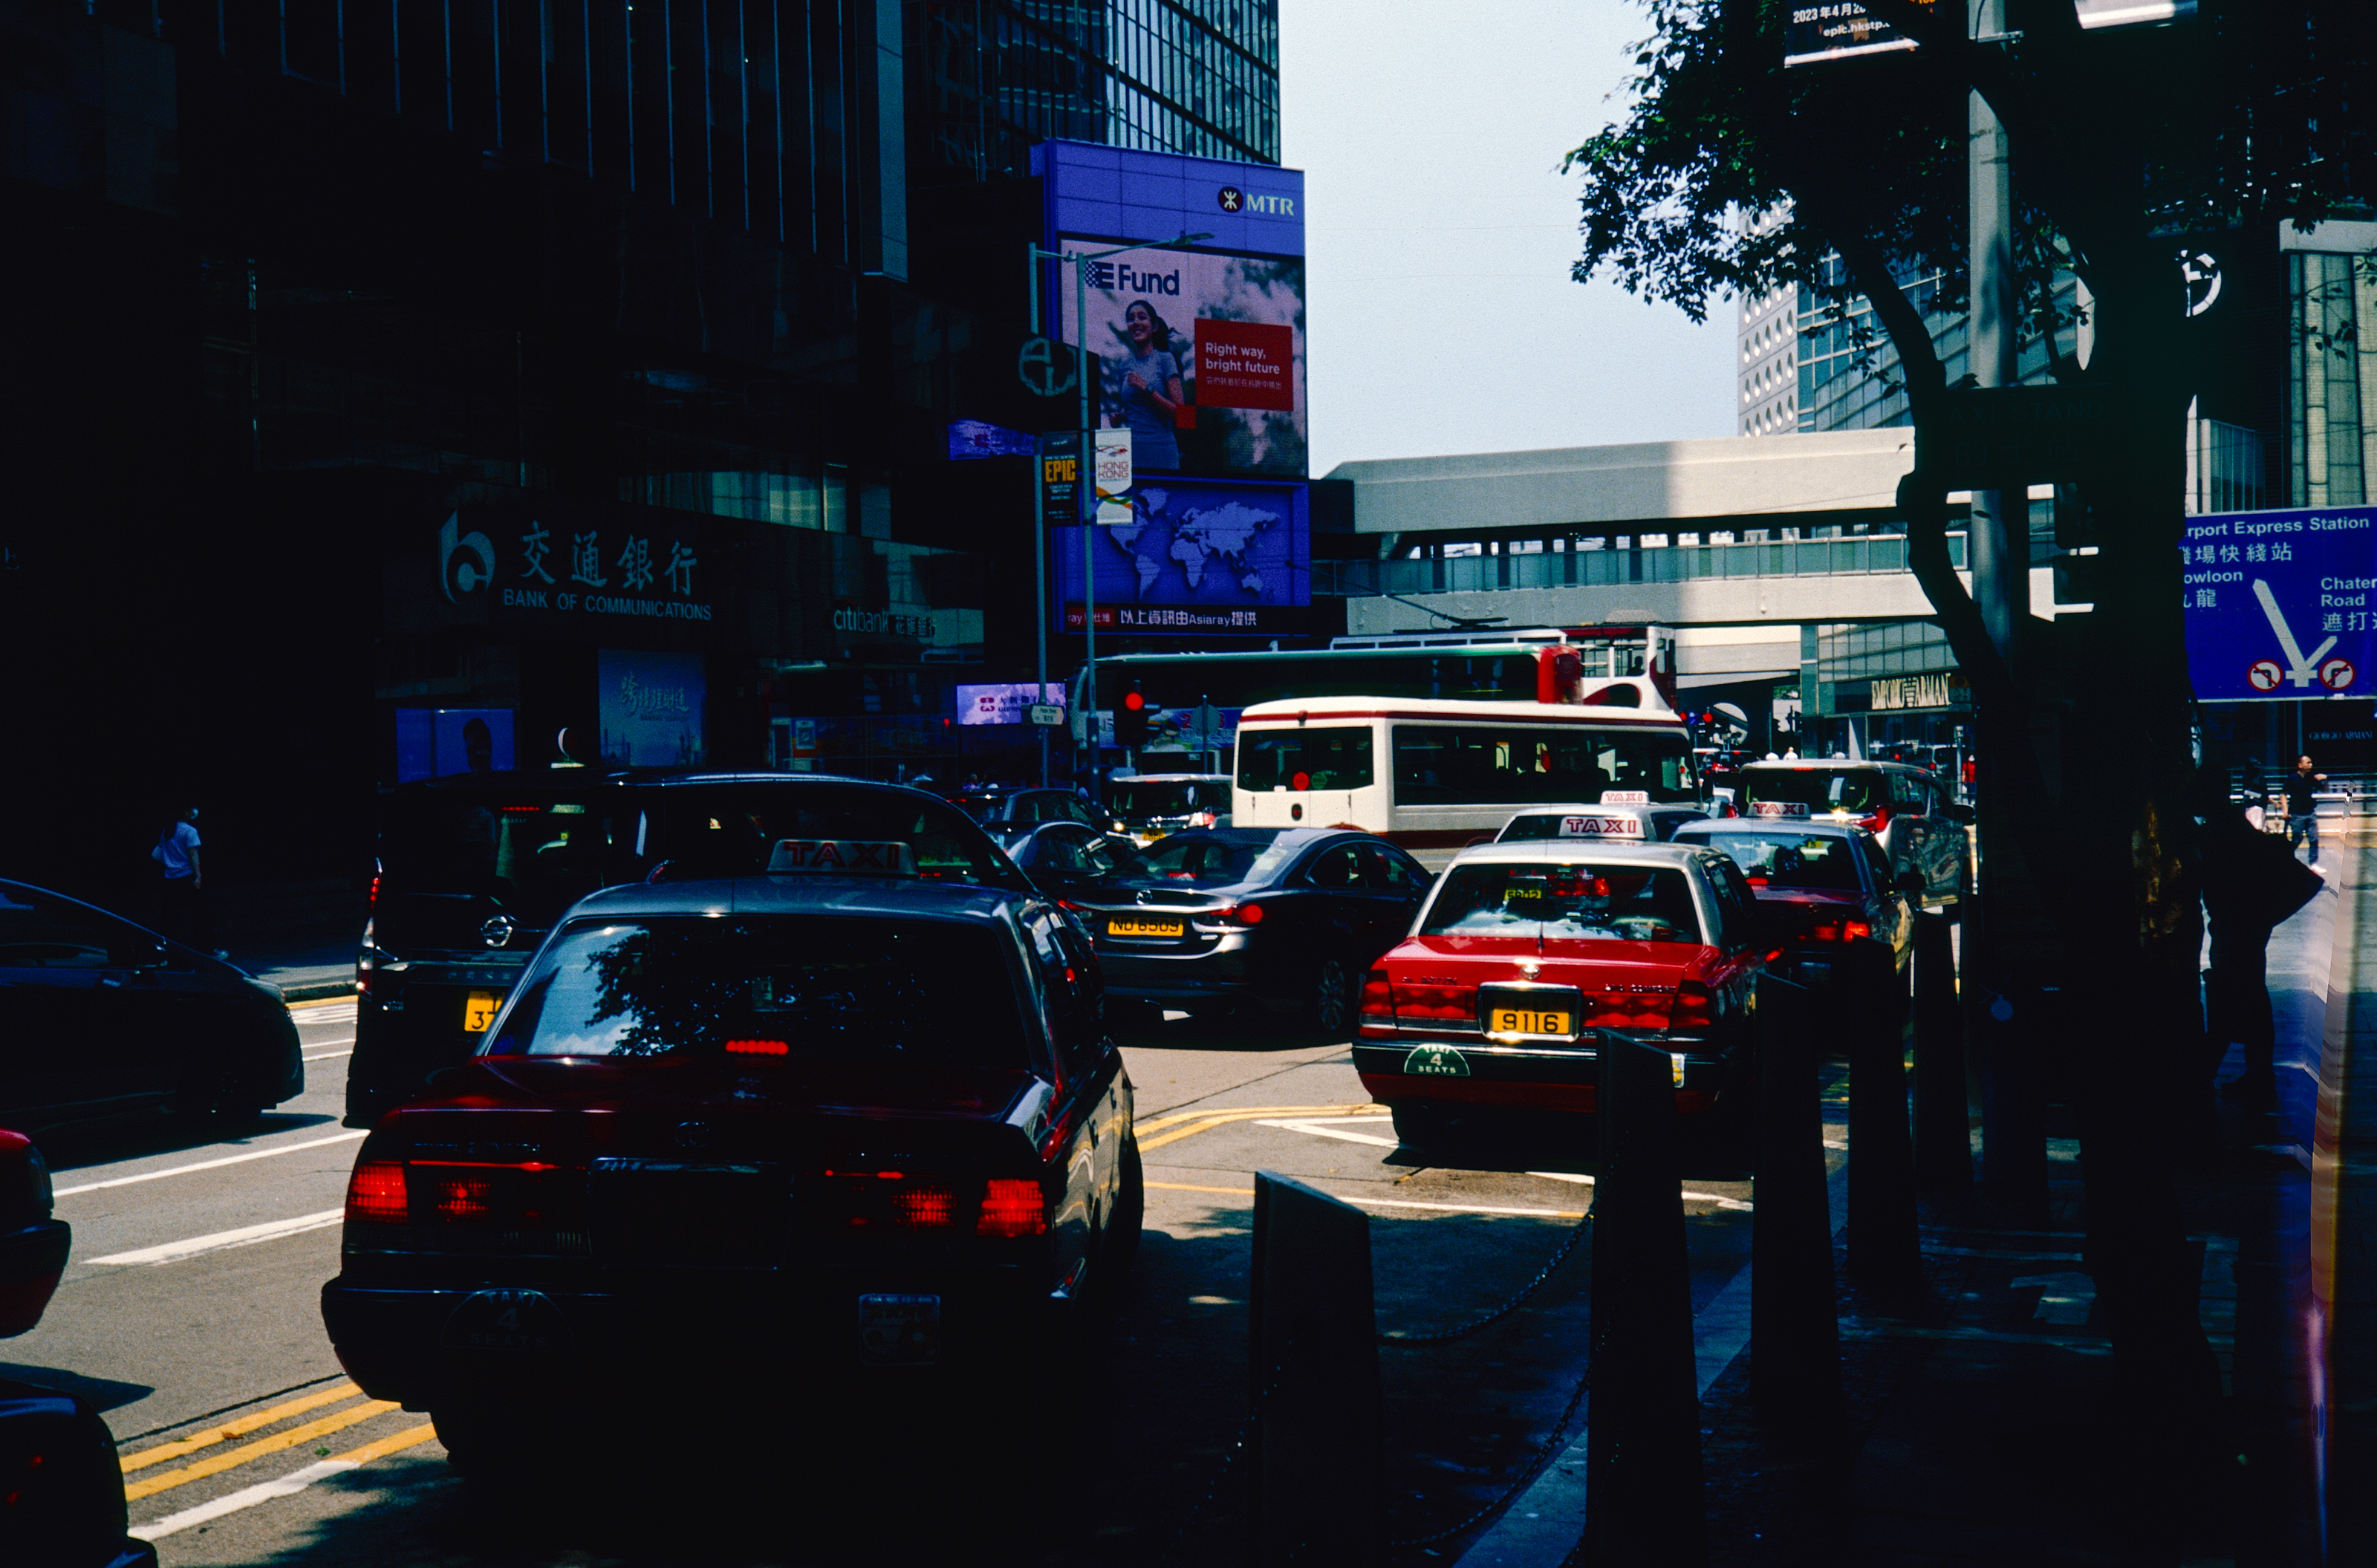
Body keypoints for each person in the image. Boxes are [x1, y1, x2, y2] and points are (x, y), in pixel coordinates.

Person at [1108, 300, 1186, 470]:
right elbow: (1136, 408)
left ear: (1154, 326)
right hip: (1131, 453)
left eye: (1142, 317)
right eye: (1131, 319)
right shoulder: (1124, 367)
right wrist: (1120, 417)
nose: (1135, 322)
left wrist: (1148, 389)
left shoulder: (1165, 359)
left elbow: (1183, 415)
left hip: (1162, 452)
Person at [154, 804, 224, 958]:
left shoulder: (167, 830)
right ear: (185, 813)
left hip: (171, 878)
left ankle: (165, 950)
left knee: (170, 916)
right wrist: (198, 876)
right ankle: (207, 949)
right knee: (201, 914)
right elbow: (193, 854)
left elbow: (158, 853)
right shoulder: (189, 831)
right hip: (187, 877)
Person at [2283, 754, 2326, 866]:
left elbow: (2324, 790)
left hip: (2310, 813)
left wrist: (2325, 780)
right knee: (2297, 839)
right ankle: (2286, 858)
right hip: (2297, 814)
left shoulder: (2311, 778)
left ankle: (2313, 863)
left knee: (2314, 839)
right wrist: (2285, 811)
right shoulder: (2292, 779)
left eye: (2311, 762)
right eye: (2308, 762)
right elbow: (2283, 794)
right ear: (2300, 765)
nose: (2311, 765)